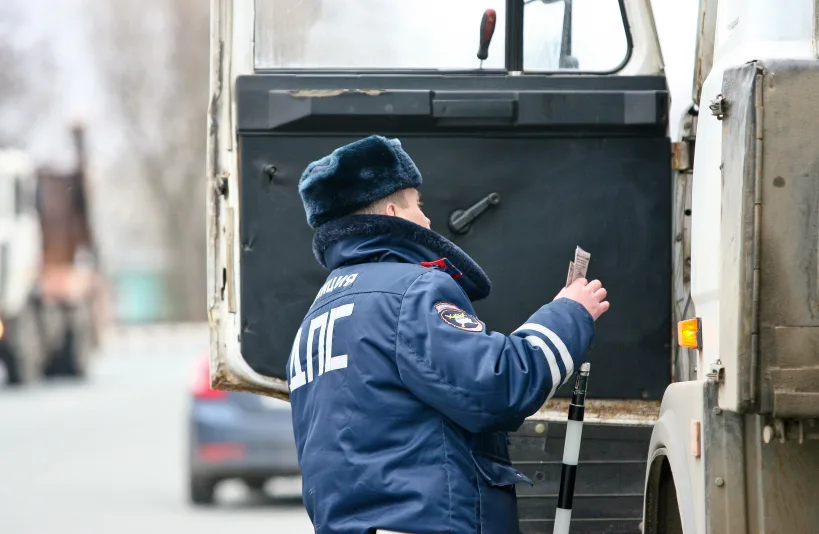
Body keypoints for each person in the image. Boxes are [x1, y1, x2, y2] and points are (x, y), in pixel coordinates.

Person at [287, 135, 609, 534]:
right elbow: (499, 385)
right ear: (392, 211)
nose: (426, 219)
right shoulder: (411, 291)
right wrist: (570, 313)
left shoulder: (315, 318)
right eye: (417, 204)